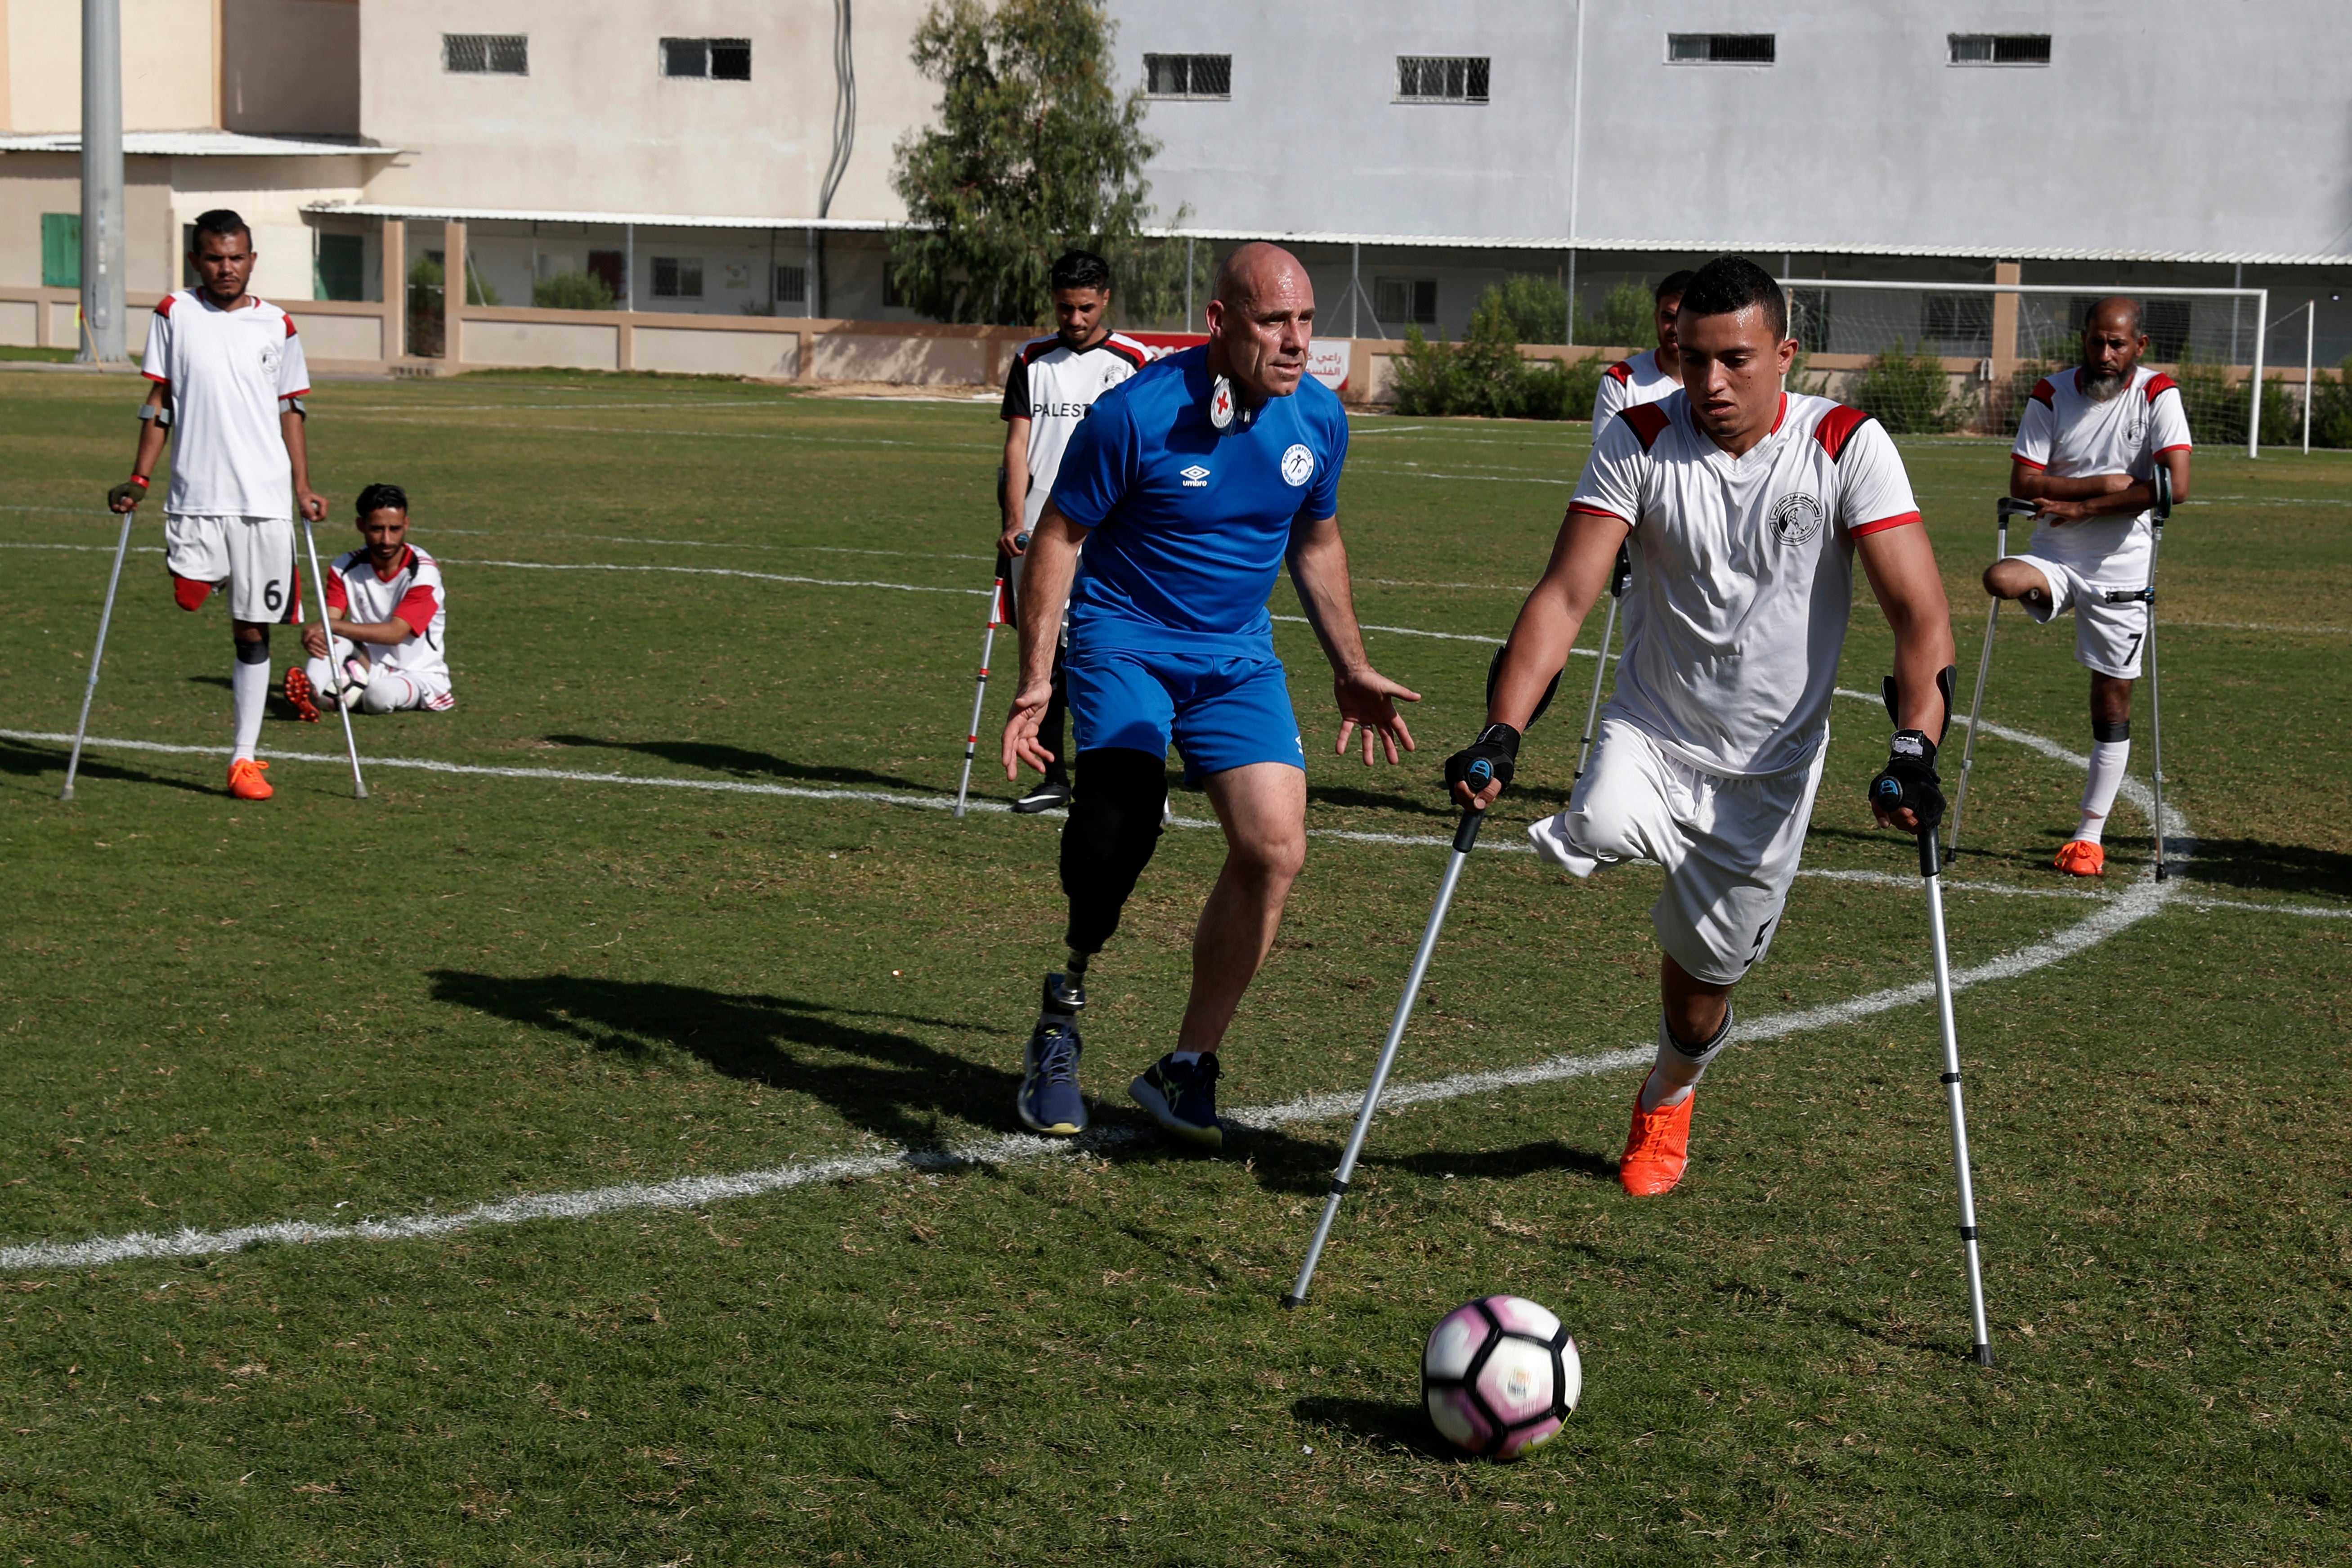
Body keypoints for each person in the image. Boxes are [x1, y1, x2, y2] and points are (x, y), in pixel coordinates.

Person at [1452, 255, 1958, 1199]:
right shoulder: (1637, 438)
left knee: (1697, 998)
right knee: (1595, 824)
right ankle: (1615, 840)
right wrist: (1501, 732)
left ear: (1785, 355)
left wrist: (1912, 748)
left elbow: (1920, 620)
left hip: (1767, 774)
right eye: (1692, 360)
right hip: (1650, 733)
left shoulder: (1847, 443)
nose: (1710, 384)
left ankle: (1669, 1089)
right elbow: (1563, 598)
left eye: (1734, 360)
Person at [998, 242, 1420, 1147]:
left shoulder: (1317, 420)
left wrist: (1350, 666)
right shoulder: (1137, 414)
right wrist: (1037, 681)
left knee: (1275, 848)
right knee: (1120, 821)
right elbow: (1058, 538)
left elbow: (1314, 543)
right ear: (1221, 323)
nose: (1296, 341)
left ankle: (1185, 1068)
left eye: (1306, 320)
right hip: (1124, 641)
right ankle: (1059, 1022)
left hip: (1235, 656)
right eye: (1274, 321)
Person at [108, 207, 324, 801]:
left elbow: (292, 409)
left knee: (254, 632)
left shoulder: (278, 324)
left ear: (252, 259)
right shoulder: (175, 313)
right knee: (188, 593)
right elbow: (160, 400)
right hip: (197, 493)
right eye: (214, 257)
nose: (226, 268)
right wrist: (139, 478)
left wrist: (302, 487)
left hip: (264, 499)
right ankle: (200, 573)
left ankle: (244, 759)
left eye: (237, 258)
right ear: (196, 260)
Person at [1985, 297, 2193, 877]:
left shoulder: (2157, 394)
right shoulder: (2051, 393)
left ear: (2139, 346)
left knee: (2113, 694)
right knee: (2000, 576)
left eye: (2118, 345)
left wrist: (2086, 504)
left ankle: (2089, 836)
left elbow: (2175, 485)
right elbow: (2023, 480)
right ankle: (2049, 596)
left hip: (2123, 569)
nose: (2105, 355)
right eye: (2096, 342)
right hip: (2053, 556)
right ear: (2084, 339)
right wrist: (2108, 482)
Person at [996, 251, 1151, 813]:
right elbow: (1017, 445)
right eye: (1065, 308)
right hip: (1040, 532)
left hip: (1111, 534)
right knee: (1044, 656)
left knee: (1112, 650)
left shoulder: (1134, 359)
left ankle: (1130, 775)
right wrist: (1014, 521)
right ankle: (1053, 777)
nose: (1076, 319)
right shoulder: (1032, 359)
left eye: (1086, 307)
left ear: (1105, 298)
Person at [286, 483, 454, 719]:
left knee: (378, 697)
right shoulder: (343, 568)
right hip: (369, 664)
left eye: (395, 529)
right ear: (360, 525)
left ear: (406, 524)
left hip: (419, 674)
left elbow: (396, 633)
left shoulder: (423, 572)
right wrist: (318, 634)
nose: (387, 540)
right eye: (377, 529)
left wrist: (327, 624)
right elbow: (332, 621)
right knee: (330, 639)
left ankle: (340, 693)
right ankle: (309, 694)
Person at [1589, 269, 1696, 437]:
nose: (1676, 328)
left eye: (1684, 318)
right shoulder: (1621, 380)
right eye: (1668, 317)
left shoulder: (1720, 381)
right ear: (1656, 317)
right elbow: (1605, 455)